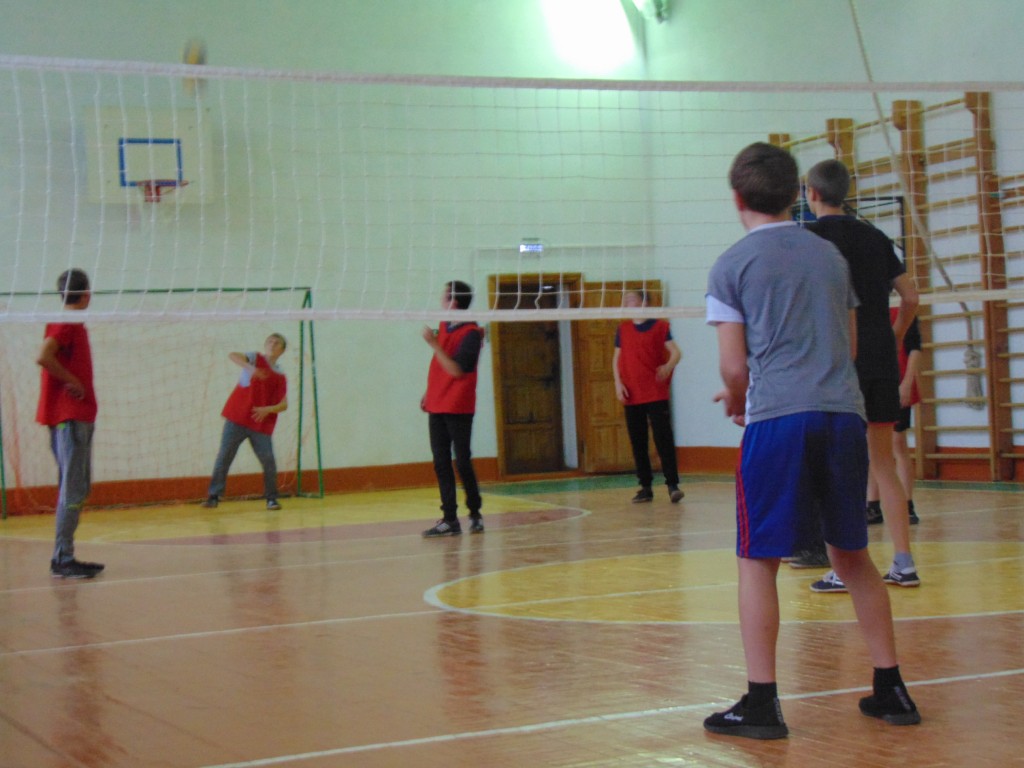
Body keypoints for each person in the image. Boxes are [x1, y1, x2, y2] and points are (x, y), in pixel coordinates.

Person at [703, 143, 920, 739]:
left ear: (737, 197)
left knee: (758, 559)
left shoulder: (730, 264)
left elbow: (733, 367)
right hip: (842, 414)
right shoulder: (829, 256)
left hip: (779, 419)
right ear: (796, 194)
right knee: (852, 554)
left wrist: (739, 400)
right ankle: (891, 687)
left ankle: (762, 703)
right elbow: (849, 345)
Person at [796, 159, 921, 592]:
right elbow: (911, 296)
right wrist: (894, 335)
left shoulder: (809, 239)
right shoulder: (875, 236)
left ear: (811, 193)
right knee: (882, 463)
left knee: (840, 468)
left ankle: (845, 567)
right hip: (881, 361)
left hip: (837, 364)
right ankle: (904, 562)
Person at [36, 268, 105, 579]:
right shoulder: (66, 322)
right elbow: (44, 356)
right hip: (70, 418)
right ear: (86, 294)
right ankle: (63, 557)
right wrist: (73, 380)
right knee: (74, 488)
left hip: (75, 417)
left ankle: (64, 555)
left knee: (78, 487)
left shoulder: (70, 323)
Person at [421, 280, 485, 537]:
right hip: (437, 403)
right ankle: (449, 519)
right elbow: (440, 366)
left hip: (458, 405)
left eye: (444, 295)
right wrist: (429, 392)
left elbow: (457, 370)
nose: (440, 299)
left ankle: (475, 513)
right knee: (441, 462)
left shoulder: (471, 334)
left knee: (462, 462)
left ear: (453, 301)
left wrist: (434, 344)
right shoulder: (445, 325)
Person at [200, 334, 288, 510]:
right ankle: (213, 496)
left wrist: (267, 409)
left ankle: (271, 499)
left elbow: (284, 404)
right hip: (237, 418)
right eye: (270, 341)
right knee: (225, 455)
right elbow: (233, 355)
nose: (272, 344)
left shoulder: (280, 375)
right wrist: (250, 368)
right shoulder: (254, 358)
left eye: (277, 342)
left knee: (268, 460)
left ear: (282, 350)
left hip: (260, 423)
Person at [612, 289, 684, 503]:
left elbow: (676, 352)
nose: (627, 302)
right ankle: (645, 487)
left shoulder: (660, 326)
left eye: (631, 298)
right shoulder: (623, 329)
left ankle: (672, 485)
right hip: (631, 392)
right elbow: (616, 358)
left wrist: (667, 366)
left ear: (643, 302)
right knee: (638, 441)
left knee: (663, 439)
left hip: (655, 391)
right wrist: (618, 383)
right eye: (625, 299)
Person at [867, 312, 922, 526]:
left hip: (896, 381)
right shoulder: (867, 307)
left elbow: (915, 348)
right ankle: (872, 505)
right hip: (873, 382)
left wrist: (908, 382)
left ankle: (907, 504)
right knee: (871, 444)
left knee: (898, 443)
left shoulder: (904, 309)